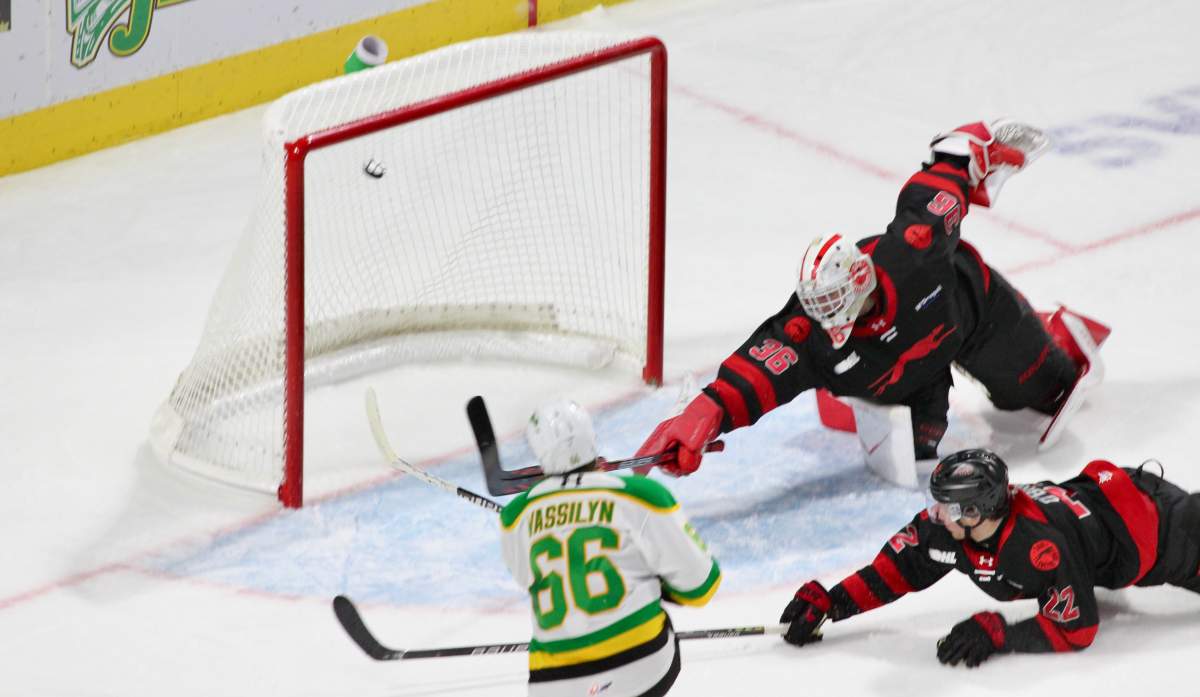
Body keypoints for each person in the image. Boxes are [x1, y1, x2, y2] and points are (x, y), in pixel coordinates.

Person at [637, 120, 1110, 479]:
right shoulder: (810, 330)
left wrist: (965, 153)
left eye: (836, 298)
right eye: (817, 302)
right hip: (900, 383)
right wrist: (706, 413)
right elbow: (759, 371)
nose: (825, 313)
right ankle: (868, 404)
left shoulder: (912, 256)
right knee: (920, 468)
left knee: (1047, 392)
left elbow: (934, 195)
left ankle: (1055, 329)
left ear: (862, 279)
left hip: (974, 319)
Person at [778, 449, 1200, 666]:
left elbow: (1079, 629)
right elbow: (897, 569)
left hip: (1167, 535)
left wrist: (998, 634)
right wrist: (833, 602)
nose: (935, 514)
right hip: (1112, 497)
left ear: (976, 512)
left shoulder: (1036, 546)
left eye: (947, 506)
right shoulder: (950, 531)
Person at [499, 400, 722, 697]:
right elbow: (701, 587)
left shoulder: (515, 516)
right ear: (592, 438)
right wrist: (653, 580)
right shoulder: (641, 495)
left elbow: (527, 579)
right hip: (641, 667)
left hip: (552, 683)